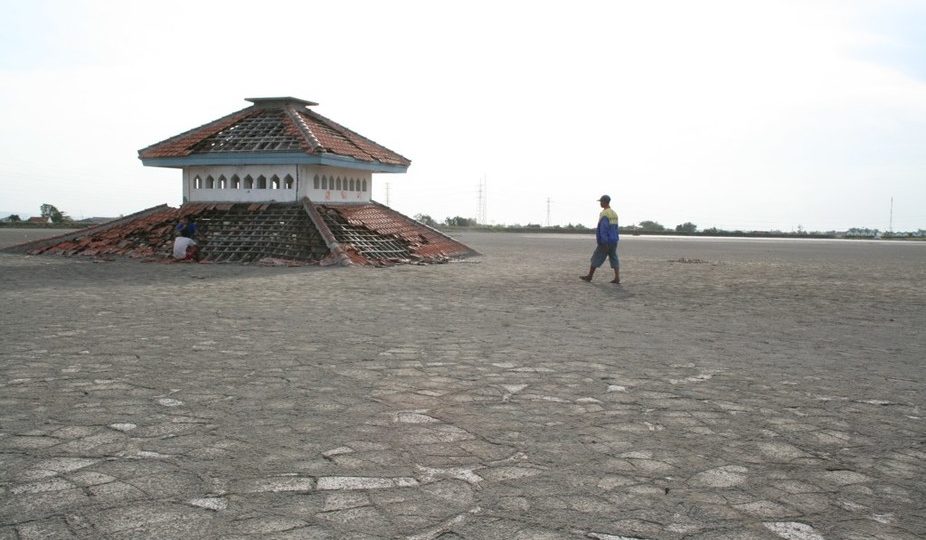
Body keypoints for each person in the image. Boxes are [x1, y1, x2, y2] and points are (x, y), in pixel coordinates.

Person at [580, 195, 620, 284]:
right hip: (614, 240)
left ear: (604, 202)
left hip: (606, 241)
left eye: (601, 202)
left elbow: (603, 229)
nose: (600, 203)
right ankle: (617, 277)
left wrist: (603, 242)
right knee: (614, 258)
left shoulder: (604, 213)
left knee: (596, 257)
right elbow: (616, 228)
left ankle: (589, 276)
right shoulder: (614, 213)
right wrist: (616, 238)